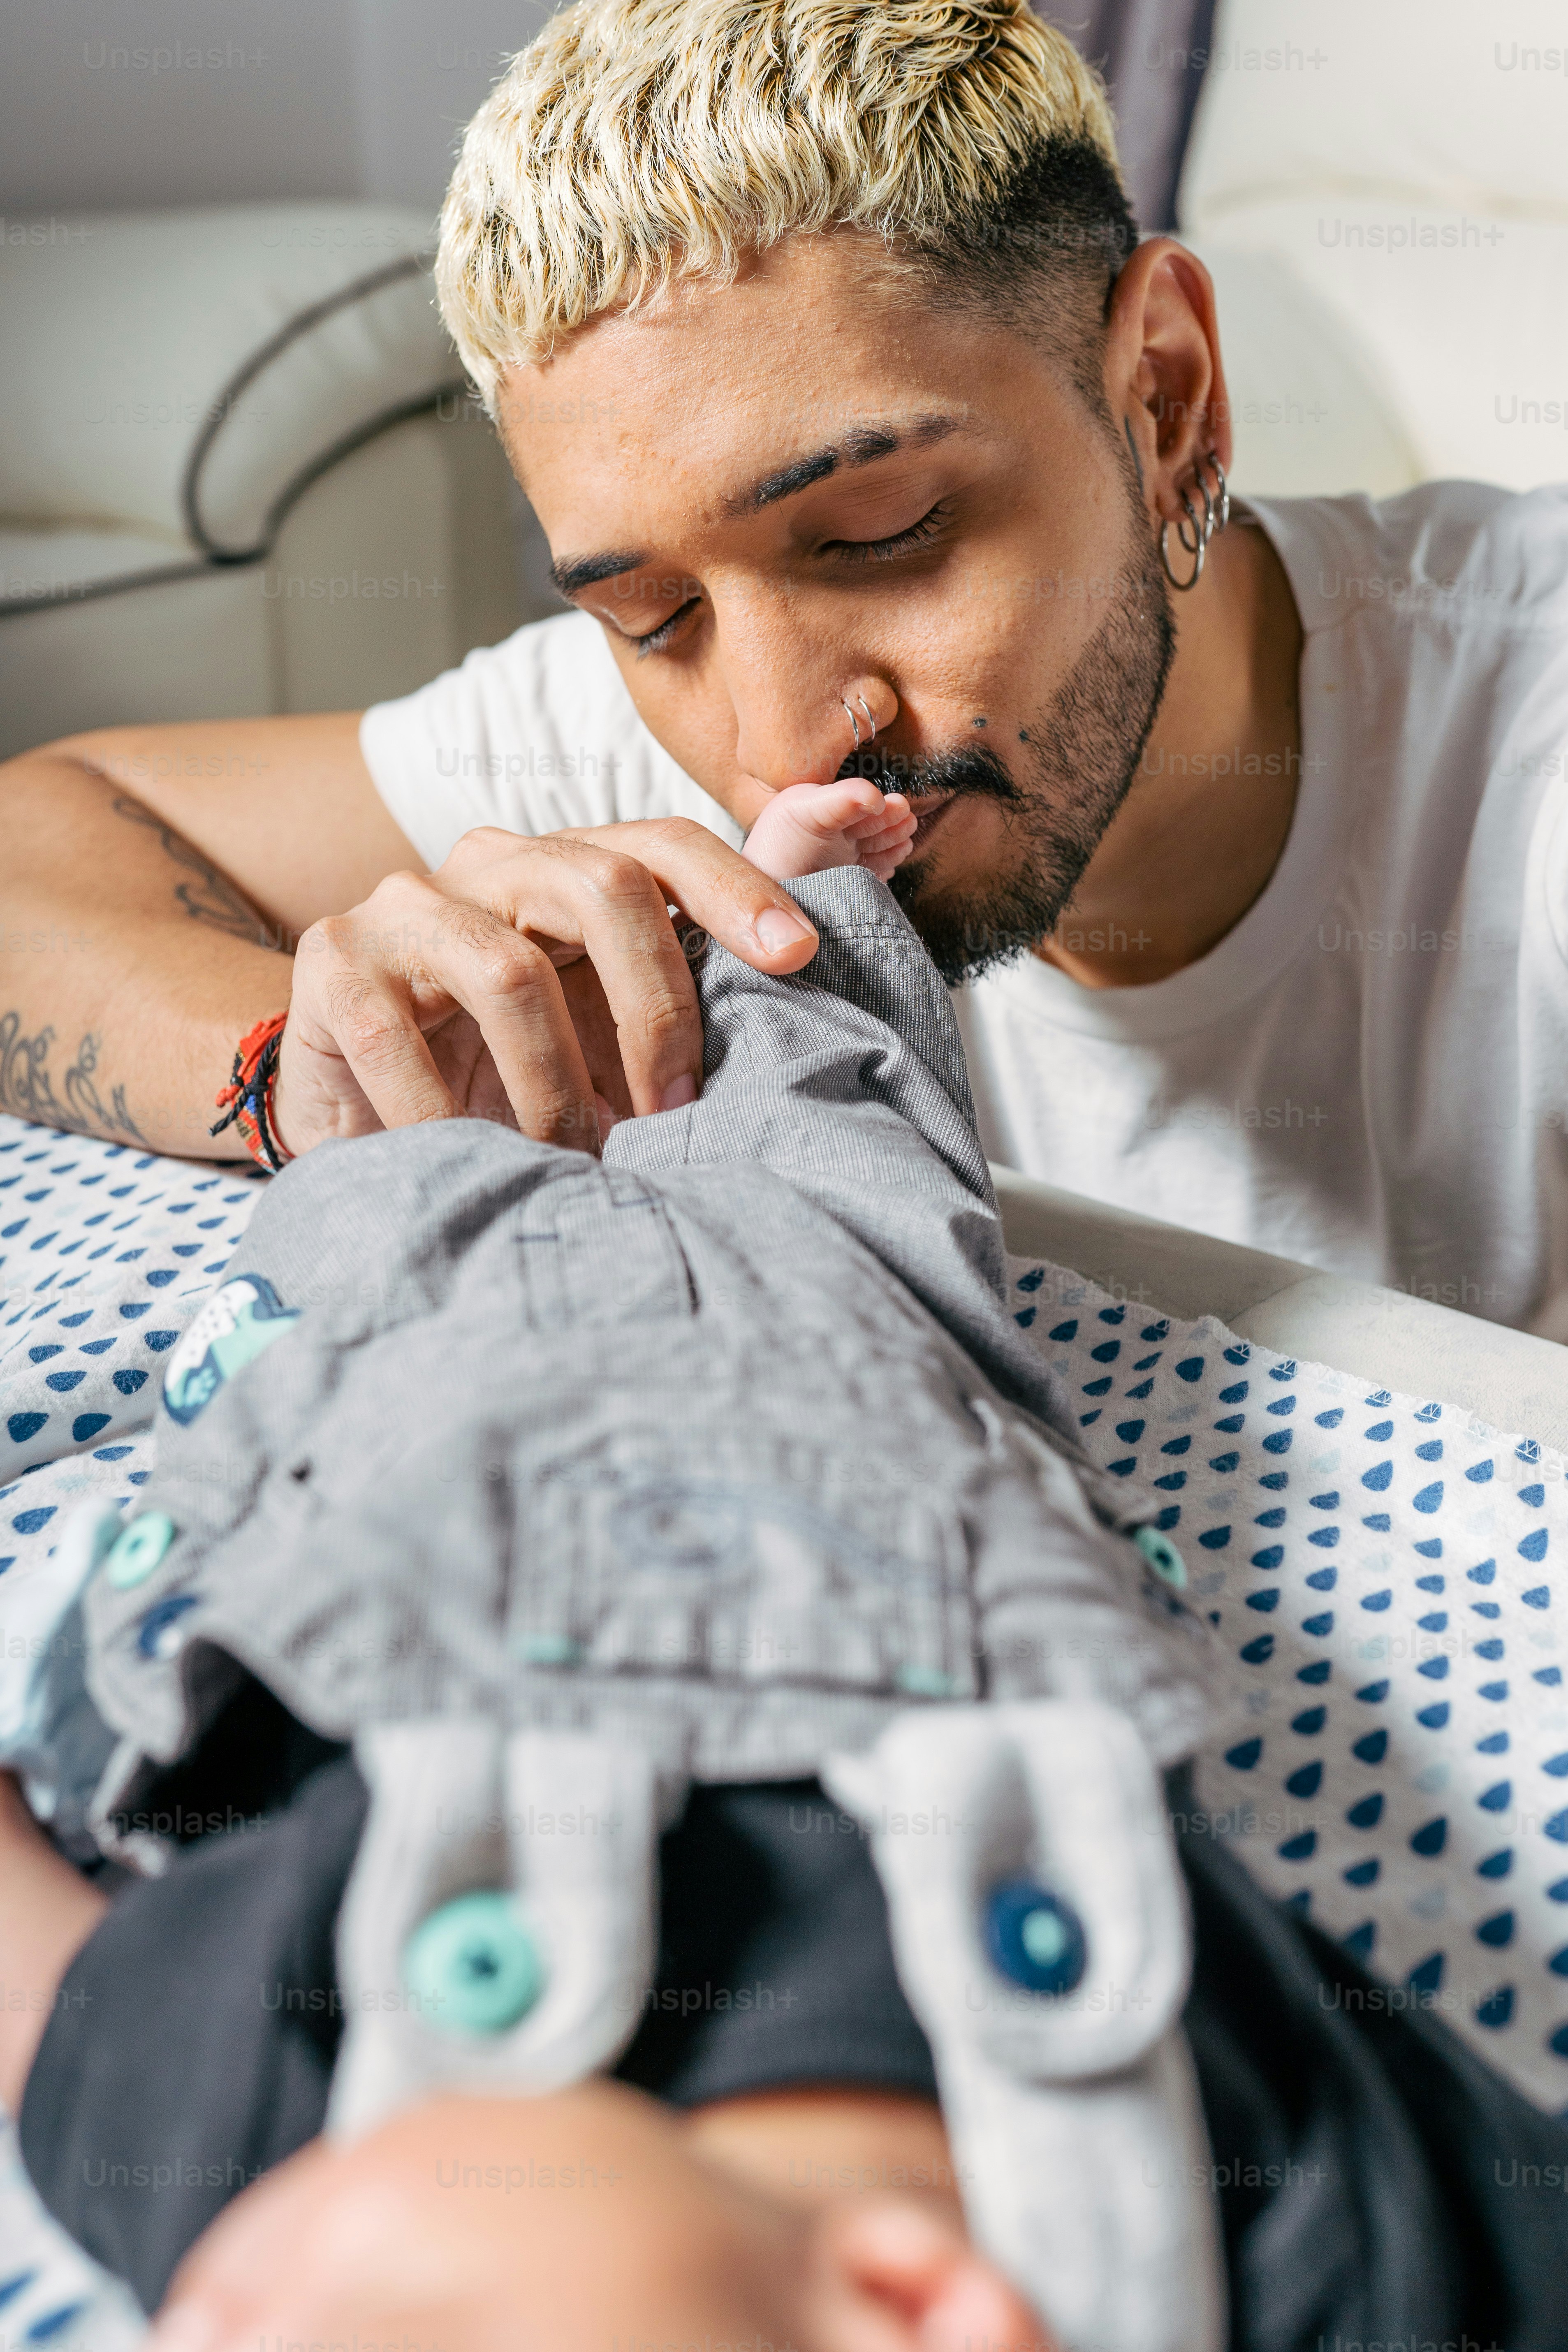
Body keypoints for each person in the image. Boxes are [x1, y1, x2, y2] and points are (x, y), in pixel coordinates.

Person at [2, 792, 1563, 2352]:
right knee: (841, 1130)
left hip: (399, 1422)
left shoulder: (250, 2111)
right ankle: (799, 905)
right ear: (908, 2304)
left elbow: (35, 1992)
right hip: (878, 1434)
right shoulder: (1295, 2232)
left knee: (389, 1173)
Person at [4, 0, 1566, 1326]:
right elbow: (35, 841)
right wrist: (308, 1064)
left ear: (1163, 399)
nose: (783, 740)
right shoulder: (622, 753)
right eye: (649, 618)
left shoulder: (1525, 757)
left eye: (881, 531)